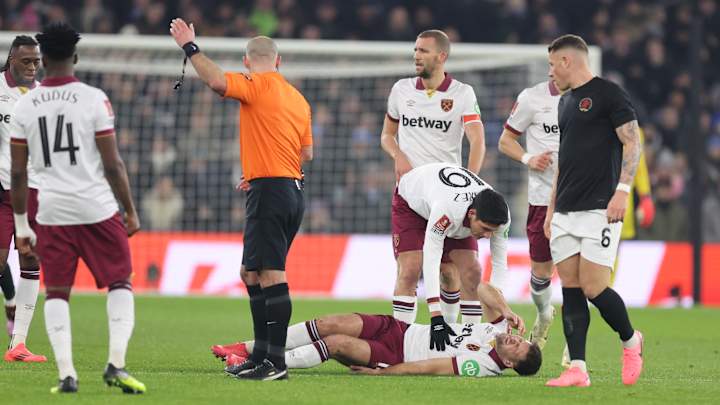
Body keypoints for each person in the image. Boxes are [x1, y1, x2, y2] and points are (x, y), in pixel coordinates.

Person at [169, 19, 313, 381]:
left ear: (248, 63)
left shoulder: (257, 85)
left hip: (272, 191)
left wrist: (190, 46)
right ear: (279, 62)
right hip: (286, 188)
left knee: (270, 274)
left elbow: (217, 81)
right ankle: (261, 355)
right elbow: (306, 153)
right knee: (250, 273)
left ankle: (275, 364)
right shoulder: (297, 98)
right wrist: (264, 167)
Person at [10, 22, 145, 394]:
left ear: (44, 59)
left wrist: (23, 224)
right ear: (75, 57)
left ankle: (66, 374)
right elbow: (113, 163)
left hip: (51, 211)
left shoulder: (26, 105)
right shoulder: (93, 98)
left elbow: (19, 174)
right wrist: (130, 210)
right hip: (96, 208)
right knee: (120, 282)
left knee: (56, 291)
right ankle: (116, 364)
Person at [543, 34, 644, 387]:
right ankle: (578, 369)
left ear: (568, 61)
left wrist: (623, 191)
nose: (551, 72)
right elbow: (564, 157)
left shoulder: (609, 93)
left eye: (553, 64)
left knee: (594, 287)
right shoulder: (564, 103)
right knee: (570, 287)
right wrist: (551, 207)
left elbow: (632, 141)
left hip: (601, 207)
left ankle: (631, 341)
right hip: (565, 209)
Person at [380, 29, 489, 326]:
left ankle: (461, 340)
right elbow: (387, 135)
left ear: (441, 56)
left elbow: (477, 141)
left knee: (464, 272)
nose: (416, 55)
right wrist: (398, 155)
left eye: (423, 51)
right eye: (415, 50)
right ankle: (400, 342)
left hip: (449, 197)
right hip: (411, 196)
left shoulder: (462, 93)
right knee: (409, 270)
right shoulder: (401, 90)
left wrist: (470, 183)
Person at [224, 282, 540, 378]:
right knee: (327, 323)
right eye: (520, 340)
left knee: (335, 342)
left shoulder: (483, 365)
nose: (514, 339)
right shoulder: (496, 332)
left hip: (394, 353)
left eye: (517, 347)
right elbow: (484, 289)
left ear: (509, 363)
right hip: (400, 329)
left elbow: (433, 366)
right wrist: (508, 311)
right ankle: (246, 347)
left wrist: (384, 374)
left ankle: (268, 363)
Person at [384, 162, 510, 352]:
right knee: (411, 268)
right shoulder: (448, 210)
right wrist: (435, 316)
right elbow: (431, 259)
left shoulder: (501, 218)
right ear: (472, 214)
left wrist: (500, 312)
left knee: (472, 271)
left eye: (492, 231)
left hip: (444, 200)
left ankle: (469, 343)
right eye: (484, 229)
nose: (487, 236)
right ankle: (398, 344)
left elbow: (500, 264)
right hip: (411, 203)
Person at [498, 79, 561, 350]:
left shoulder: (589, 100)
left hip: (578, 199)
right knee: (541, 274)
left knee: (578, 276)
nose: (552, 71)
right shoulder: (532, 98)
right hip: (540, 200)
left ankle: (575, 347)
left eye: (556, 63)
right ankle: (545, 312)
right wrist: (528, 159)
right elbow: (505, 141)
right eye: (549, 64)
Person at [0, 35, 46, 363]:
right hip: (2, 190)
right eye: (26, 61)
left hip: (35, 192)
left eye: (36, 62)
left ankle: (18, 344)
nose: (32, 67)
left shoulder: (44, 97)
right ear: (11, 60)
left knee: (31, 261)